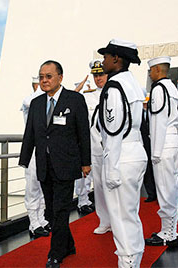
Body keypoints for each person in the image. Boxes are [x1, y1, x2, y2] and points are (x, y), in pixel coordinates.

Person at [19, 60, 91, 268]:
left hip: (66, 164)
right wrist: (25, 159)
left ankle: (56, 253)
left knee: (60, 210)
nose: (44, 80)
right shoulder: (36, 103)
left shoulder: (75, 100)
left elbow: (83, 133)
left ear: (60, 77)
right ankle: (68, 244)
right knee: (51, 212)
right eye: (41, 77)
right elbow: (30, 134)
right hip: (44, 164)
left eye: (48, 76)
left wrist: (85, 162)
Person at [97, 39, 147, 268]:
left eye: (106, 56)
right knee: (130, 213)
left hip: (121, 155)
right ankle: (134, 260)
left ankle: (127, 263)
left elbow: (113, 129)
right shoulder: (132, 83)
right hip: (135, 151)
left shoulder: (114, 86)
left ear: (116, 58)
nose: (103, 60)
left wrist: (111, 168)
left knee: (119, 216)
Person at [144, 56, 178, 248]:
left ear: (157, 69)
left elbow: (158, 121)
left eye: (151, 70)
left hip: (163, 143)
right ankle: (170, 229)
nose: (150, 74)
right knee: (172, 187)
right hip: (173, 140)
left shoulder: (159, 89)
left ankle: (168, 233)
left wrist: (155, 152)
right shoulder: (172, 88)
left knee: (165, 189)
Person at [75, 60, 111, 234]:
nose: (98, 79)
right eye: (96, 75)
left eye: (101, 75)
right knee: (99, 187)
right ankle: (104, 220)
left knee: (115, 185)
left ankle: (118, 220)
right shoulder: (87, 96)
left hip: (113, 148)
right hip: (95, 148)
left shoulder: (115, 93)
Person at [21, 76, 50, 238]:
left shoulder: (46, 100)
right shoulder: (30, 100)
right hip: (33, 150)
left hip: (45, 150)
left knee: (44, 185)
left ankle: (41, 219)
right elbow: (33, 102)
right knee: (33, 186)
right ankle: (33, 222)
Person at [140, 90, 157, 202]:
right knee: (147, 170)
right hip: (144, 143)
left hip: (155, 143)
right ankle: (151, 193)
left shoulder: (154, 110)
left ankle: (159, 193)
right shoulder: (138, 113)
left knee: (156, 169)